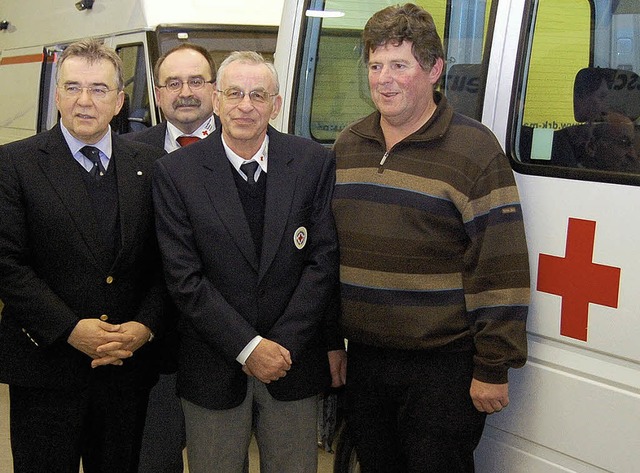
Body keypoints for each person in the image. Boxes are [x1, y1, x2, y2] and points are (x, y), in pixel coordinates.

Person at [331, 4, 530, 472]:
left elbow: (500, 266)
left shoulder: (475, 150)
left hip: (442, 367)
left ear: (435, 69)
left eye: (399, 65)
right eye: (376, 66)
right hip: (366, 361)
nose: (384, 79)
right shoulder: (347, 145)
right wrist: (330, 343)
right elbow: (327, 254)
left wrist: (492, 366)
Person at [152, 51, 340, 473]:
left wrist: (281, 346)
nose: (245, 105)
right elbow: (184, 278)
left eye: (258, 94)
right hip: (212, 367)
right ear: (216, 101)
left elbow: (323, 261)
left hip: (292, 365)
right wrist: (248, 347)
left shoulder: (313, 163)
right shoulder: (175, 173)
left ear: (276, 105)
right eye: (234, 93)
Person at [0, 38, 167, 472]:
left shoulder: (152, 166)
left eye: (98, 89)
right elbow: (7, 264)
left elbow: (169, 262)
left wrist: (144, 326)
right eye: (72, 87)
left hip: (125, 371)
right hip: (45, 369)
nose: (84, 101)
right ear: (56, 96)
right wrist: (70, 329)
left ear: (119, 101)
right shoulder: (14, 164)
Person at [124, 42, 218, 473]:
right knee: (152, 458)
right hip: (152, 345)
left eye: (196, 81)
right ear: (157, 94)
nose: (185, 92)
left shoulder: (247, 144)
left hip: (223, 341)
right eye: (173, 83)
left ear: (214, 90)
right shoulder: (127, 153)